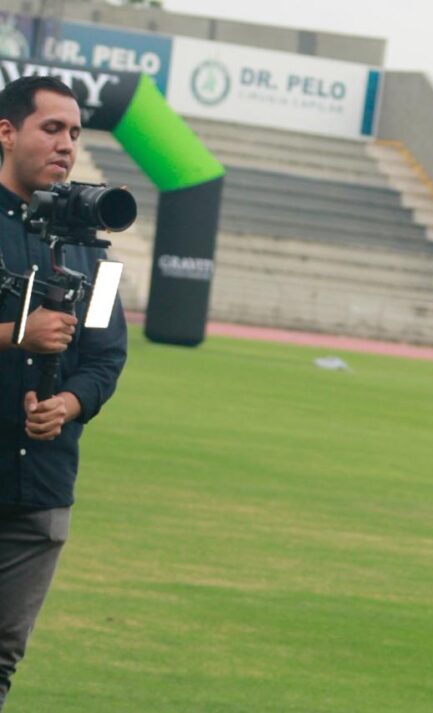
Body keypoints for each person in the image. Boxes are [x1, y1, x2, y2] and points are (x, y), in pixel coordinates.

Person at [0, 76, 127, 710]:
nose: (67, 144)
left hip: (42, 489)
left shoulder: (94, 250)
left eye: (75, 133)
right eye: (52, 128)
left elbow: (106, 356)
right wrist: (16, 335)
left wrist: (68, 405)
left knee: (1, 656)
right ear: (6, 132)